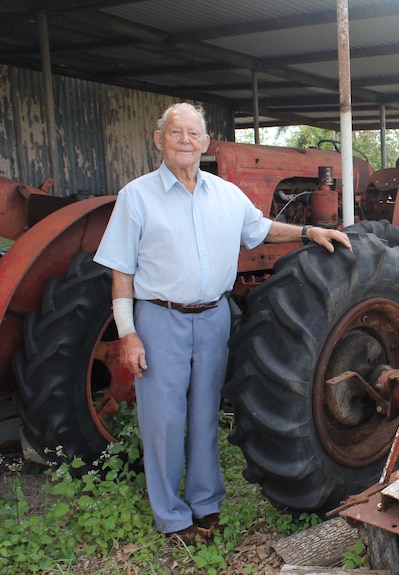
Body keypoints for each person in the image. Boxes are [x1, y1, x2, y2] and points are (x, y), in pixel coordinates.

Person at [94, 102, 351, 546]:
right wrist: (128, 332)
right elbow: (121, 270)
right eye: (176, 133)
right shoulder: (136, 196)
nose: (185, 141)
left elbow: (261, 229)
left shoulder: (225, 193)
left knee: (206, 413)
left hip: (213, 317)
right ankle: (172, 516)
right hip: (159, 318)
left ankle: (205, 501)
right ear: (159, 140)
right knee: (163, 420)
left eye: (193, 134)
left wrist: (309, 233)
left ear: (206, 143)